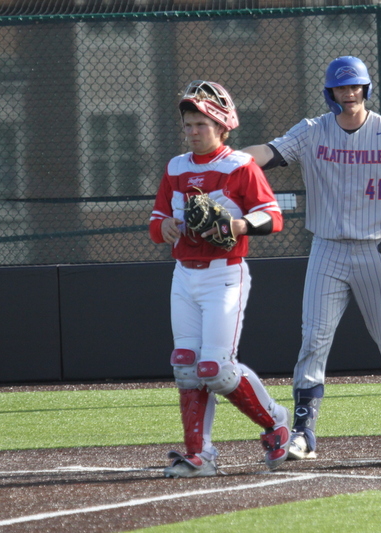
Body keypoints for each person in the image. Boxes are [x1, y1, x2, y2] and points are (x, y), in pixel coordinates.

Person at [242, 56, 381, 460]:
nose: (350, 93)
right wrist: (230, 158)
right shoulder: (312, 132)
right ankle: (304, 431)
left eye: (356, 86)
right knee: (314, 340)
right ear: (331, 92)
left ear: (366, 89)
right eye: (342, 88)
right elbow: (270, 153)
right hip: (327, 247)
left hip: (378, 248)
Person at [149, 80, 290, 477]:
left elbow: (272, 215)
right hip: (184, 275)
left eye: (202, 124)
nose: (194, 131)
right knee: (186, 365)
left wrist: (240, 224)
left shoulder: (239, 165)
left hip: (224, 275)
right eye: (189, 124)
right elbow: (156, 221)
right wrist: (167, 230)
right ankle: (200, 454)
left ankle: (275, 422)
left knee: (216, 368)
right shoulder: (176, 167)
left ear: (222, 126)